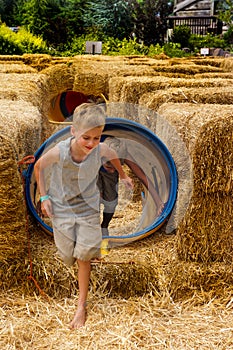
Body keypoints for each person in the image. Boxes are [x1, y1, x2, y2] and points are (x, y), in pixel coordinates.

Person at [34, 103, 133, 329]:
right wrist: (43, 197)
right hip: (61, 207)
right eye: (86, 138)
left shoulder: (102, 150)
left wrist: (124, 176)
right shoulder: (60, 151)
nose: (91, 143)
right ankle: (86, 249)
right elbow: (39, 167)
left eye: (96, 138)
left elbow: (113, 156)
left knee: (83, 255)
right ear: (73, 132)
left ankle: (81, 306)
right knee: (67, 255)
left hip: (88, 207)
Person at [97, 137, 164, 236]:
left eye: (115, 167)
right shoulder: (95, 150)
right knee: (95, 198)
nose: (112, 169)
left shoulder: (123, 154)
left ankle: (104, 226)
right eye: (109, 166)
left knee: (111, 202)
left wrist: (158, 202)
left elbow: (141, 176)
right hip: (93, 171)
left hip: (109, 178)